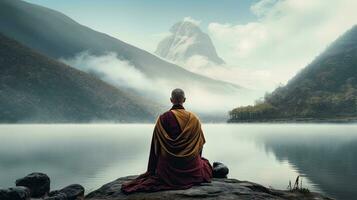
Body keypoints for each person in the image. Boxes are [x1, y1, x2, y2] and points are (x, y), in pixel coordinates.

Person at [121, 88, 213, 193]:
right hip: (191, 168)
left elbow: (156, 147)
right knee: (205, 164)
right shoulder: (194, 119)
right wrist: (195, 161)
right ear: (185, 100)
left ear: (171, 100)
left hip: (167, 170)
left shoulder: (163, 118)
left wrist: (152, 169)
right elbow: (200, 145)